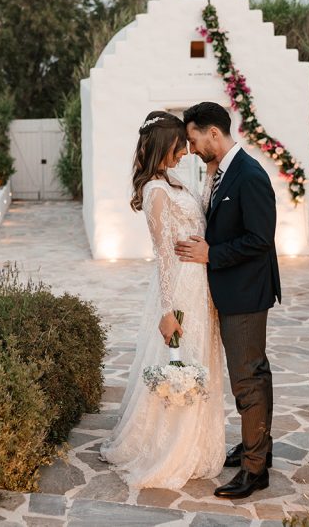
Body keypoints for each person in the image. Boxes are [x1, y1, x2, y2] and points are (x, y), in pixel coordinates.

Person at [99, 111, 225, 489]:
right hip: (181, 287)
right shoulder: (155, 190)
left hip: (200, 283)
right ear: (163, 146)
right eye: (180, 145)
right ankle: (170, 445)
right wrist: (168, 310)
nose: (186, 151)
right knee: (180, 361)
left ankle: (199, 442)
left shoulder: (173, 181)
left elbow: (197, 223)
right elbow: (164, 254)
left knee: (200, 359)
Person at [176, 101, 281, 500]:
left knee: (248, 378)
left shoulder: (249, 175)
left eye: (193, 138)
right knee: (253, 373)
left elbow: (260, 239)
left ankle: (255, 471)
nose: (191, 147)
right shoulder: (221, 173)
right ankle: (259, 448)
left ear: (213, 134)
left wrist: (210, 255)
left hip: (246, 294)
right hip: (234, 291)